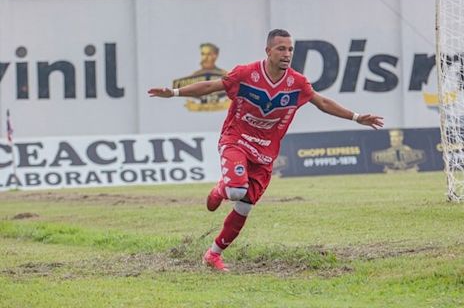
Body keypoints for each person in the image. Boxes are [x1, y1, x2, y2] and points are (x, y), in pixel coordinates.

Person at [148, 29, 384, 271]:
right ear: (268, 51)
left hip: (266, 152)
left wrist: (356, 117)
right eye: (281, 48)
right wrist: (174, 93)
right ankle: (221, 190)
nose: (287, 54)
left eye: (290, 49)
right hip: (236, 140)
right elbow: (212, 86)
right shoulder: (246, 73)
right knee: (237, 190)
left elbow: (321, 102)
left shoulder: (298, 83)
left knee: (244, 206)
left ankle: (213, 254)